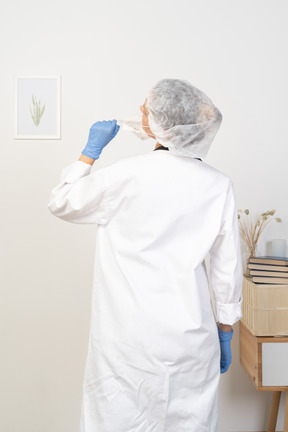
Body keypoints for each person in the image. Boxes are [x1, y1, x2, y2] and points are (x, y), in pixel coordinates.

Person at [48, 79, 243, 432]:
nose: (140, 112)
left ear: (161, 125)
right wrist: (225, 329)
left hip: (127, 339)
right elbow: (226, 269)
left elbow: (62, 202)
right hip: (191, 338)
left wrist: (89, 152)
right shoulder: (218, 185)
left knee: (121, 421)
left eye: (145, 109)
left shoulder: (124, 175)